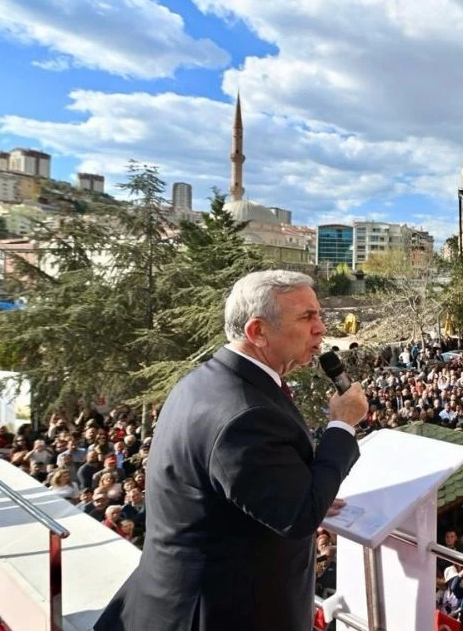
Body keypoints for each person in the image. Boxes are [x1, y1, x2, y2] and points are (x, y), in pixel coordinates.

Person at [94, 270, 369, 631]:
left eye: (318, 314)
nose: (321, 327)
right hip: (219, 613)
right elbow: (299, 517)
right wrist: (343, 424)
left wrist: (299, 488)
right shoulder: (246, 413)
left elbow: (243, 484)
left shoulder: (209, 381)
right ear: (258, 332)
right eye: (307, 317)